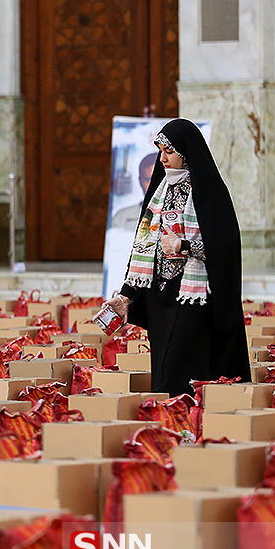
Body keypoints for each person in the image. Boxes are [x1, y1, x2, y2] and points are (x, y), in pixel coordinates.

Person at [103, 118, 250, 397]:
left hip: (193, 297)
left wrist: (184, 246)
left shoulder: (210, 193)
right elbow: (144, 246)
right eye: (160, 152)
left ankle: (181, 425)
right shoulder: (160, 191)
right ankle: (171, 427)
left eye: (168, 152)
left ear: (185, 152)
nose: (163, 159)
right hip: (160, 297)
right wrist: (125, 296)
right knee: (163, 373)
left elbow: (224, 250)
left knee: (177, 371)